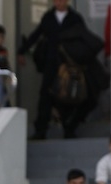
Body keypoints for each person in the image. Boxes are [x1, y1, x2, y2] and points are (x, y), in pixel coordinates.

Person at [16, 0, 87, 139]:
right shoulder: (48, 17)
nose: (58, 3)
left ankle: (69, 128)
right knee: (46, 94)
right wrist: (22, 51)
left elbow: (83, 38)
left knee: (70, 93)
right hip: (51, 62)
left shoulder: (75, 18)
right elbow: (37, 34)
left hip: (69, 63)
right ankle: (41, 130)